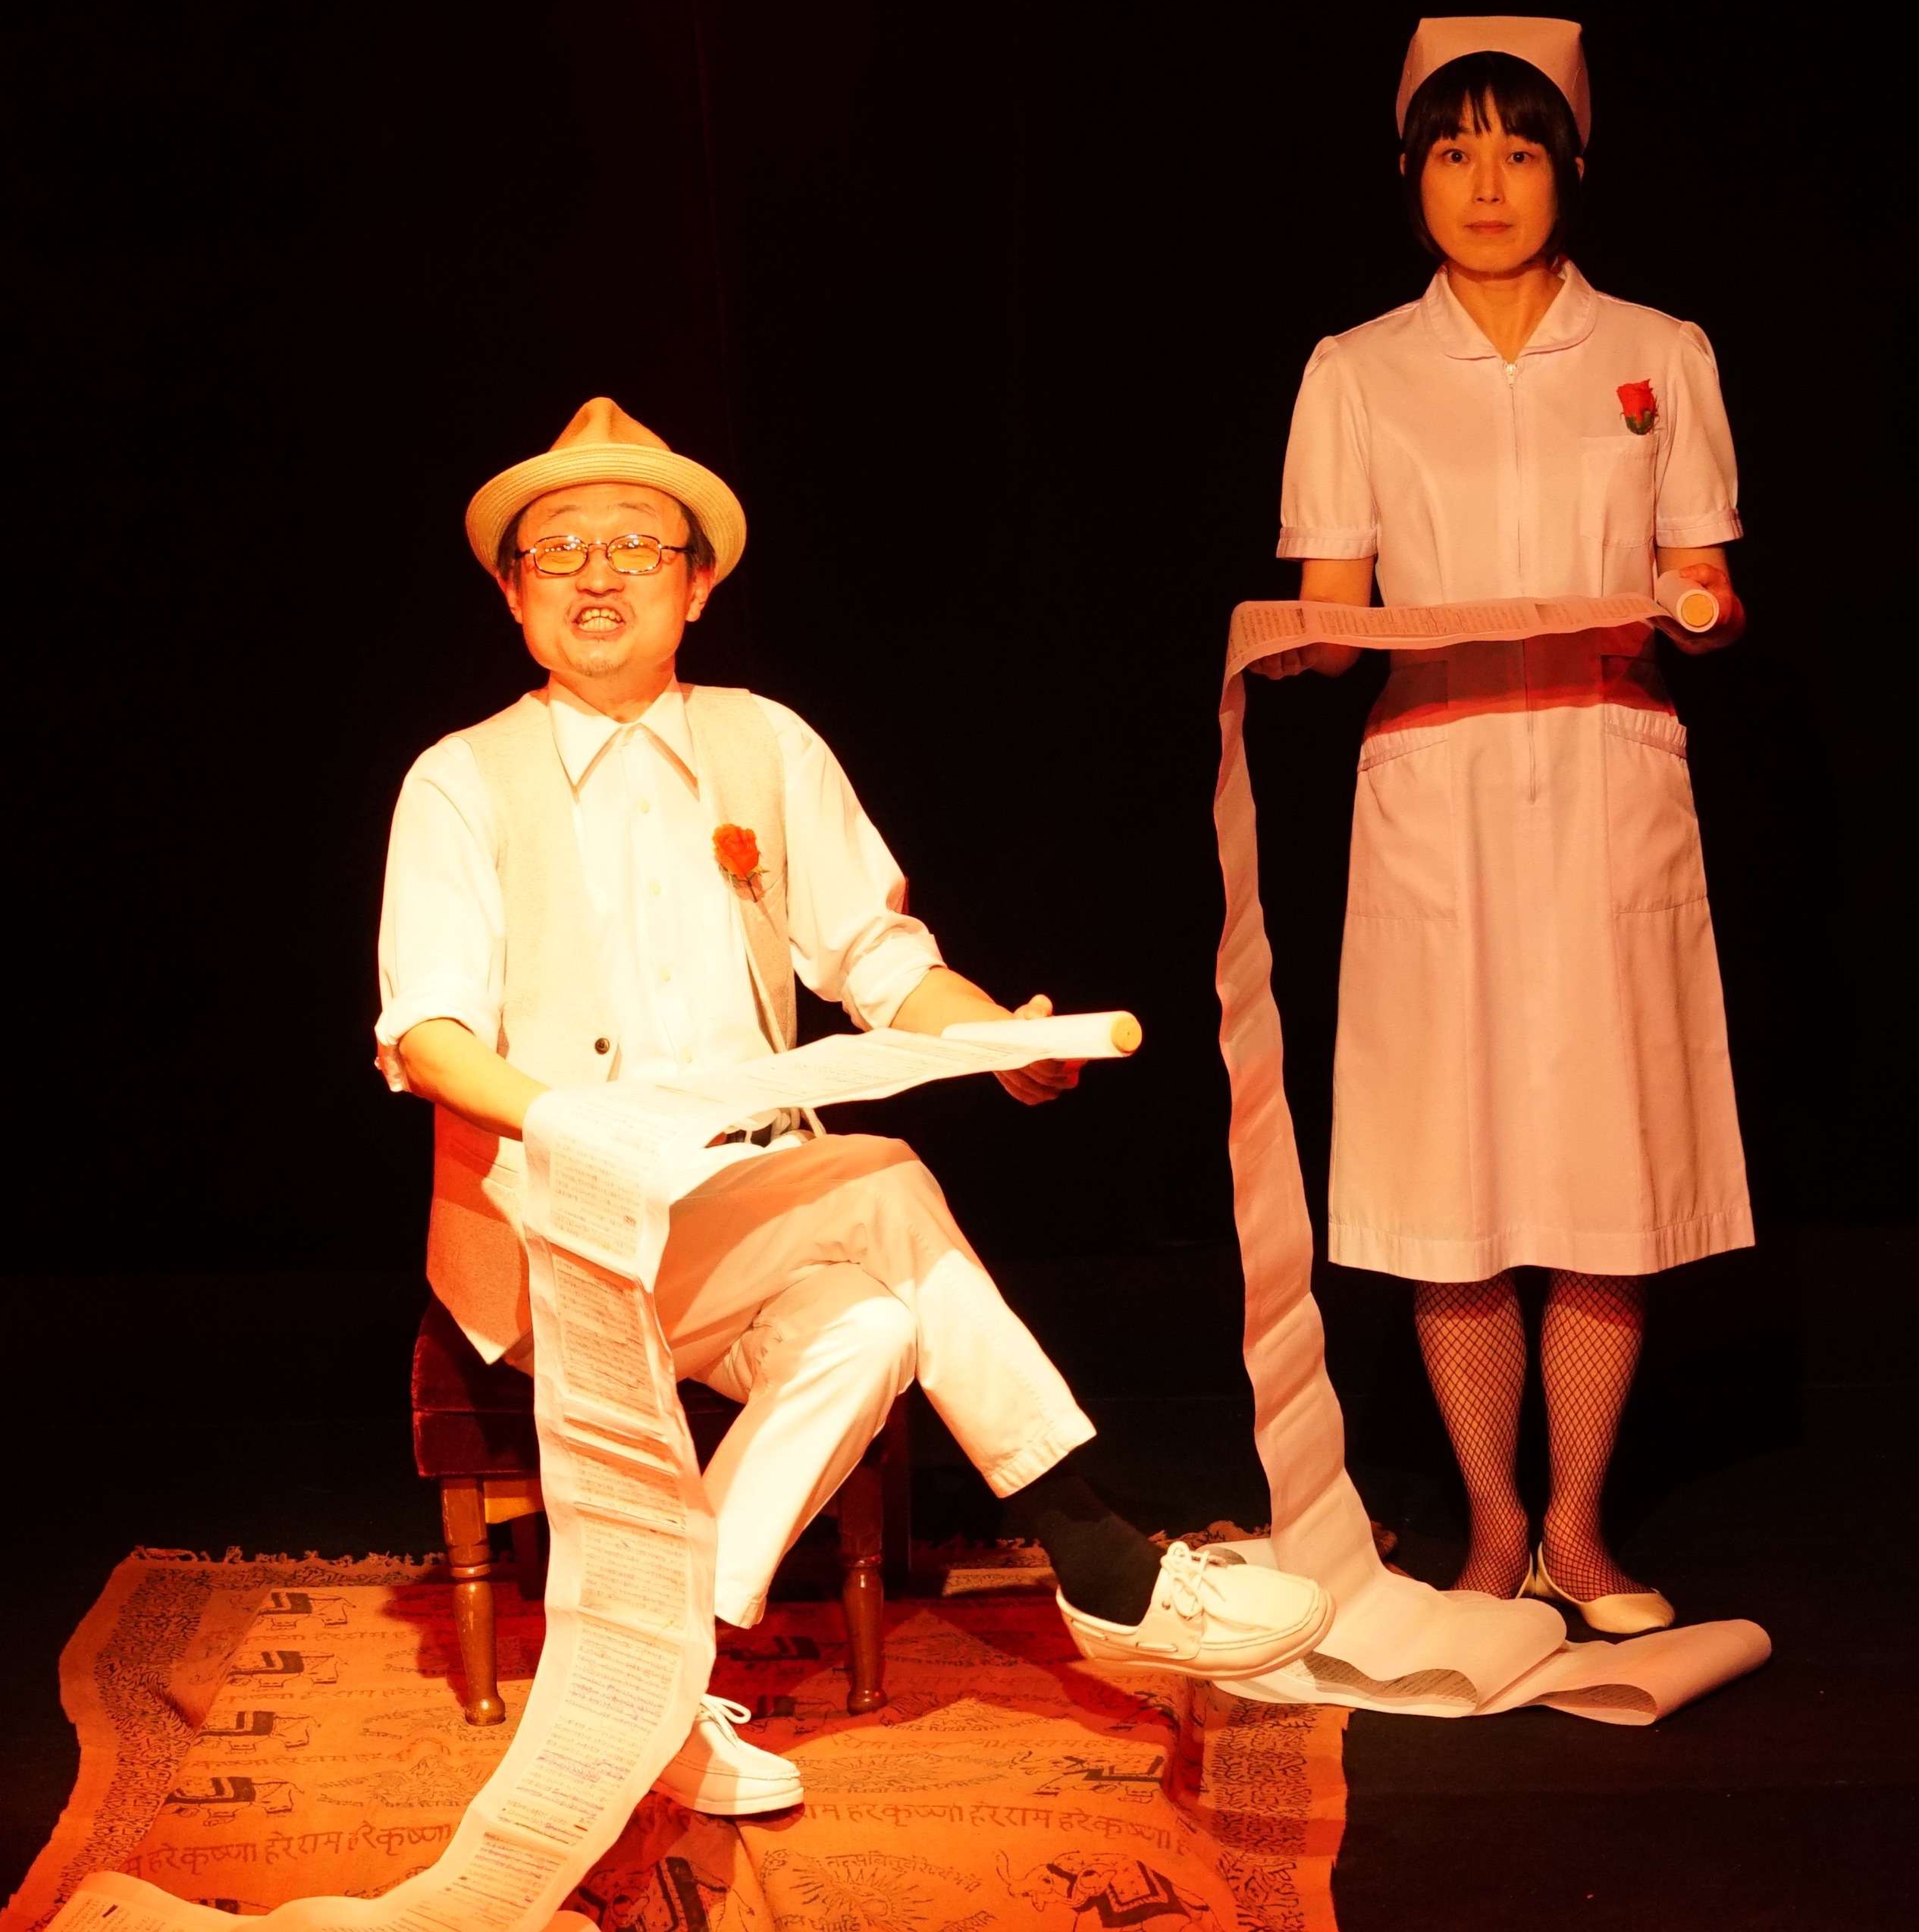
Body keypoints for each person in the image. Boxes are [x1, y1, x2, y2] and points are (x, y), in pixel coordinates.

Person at [379, 397, 1332, 1814]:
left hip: (747, 1212)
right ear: (513, 594)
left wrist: (995, 1039)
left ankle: (657, 1680)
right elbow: (429, 1037)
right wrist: (579, 1126)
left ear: (699, 585)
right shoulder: (460, 782)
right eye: (559, 550)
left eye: (636, 547)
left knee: (874, 1322)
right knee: (883, 1181)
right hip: (557, 1227)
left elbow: (878, 960)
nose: (597, 576)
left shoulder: (765, 744)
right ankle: (1098, 1552)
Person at [1253, 17, 1753, 1635]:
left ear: (1571, 168)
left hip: (1607, 777)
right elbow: (1335, 612)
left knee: (1605, 1159)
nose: (1485, 185)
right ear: (1409, 174)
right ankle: (1489, 1527)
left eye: (1518, 150)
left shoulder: (1661, 351)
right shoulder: (1355, 371)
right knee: (1450, 1163)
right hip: (1437, 785)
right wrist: (1303, 641)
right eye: (1453, 151)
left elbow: (1704, 585)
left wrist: (1697, 608)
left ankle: (1582, 1529)